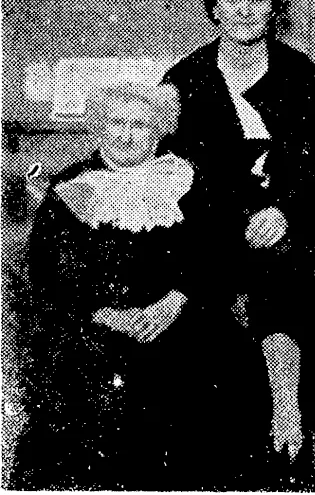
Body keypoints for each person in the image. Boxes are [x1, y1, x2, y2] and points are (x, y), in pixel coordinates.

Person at [161, 0, 315, 484]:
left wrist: (282, 207)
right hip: (215, 219)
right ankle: (285, 415)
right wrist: (244, 212)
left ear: (275, 9)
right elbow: (176, 168)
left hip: (300, 215)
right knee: (250, 267)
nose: (246, 10)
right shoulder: (186, 78)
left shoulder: (299, 73)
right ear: (213, 8)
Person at [10, 83, 271, 490]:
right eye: (117, 123)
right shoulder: (70, 189)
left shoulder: (191, 180)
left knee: (222, 373)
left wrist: (173, 302)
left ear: (158, 131)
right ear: (98, 128)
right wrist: (111, 315)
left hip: (184, 316)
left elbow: (217, 252)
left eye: (140, 124)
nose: (127, 134)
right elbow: (52, 274)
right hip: (97, 329)